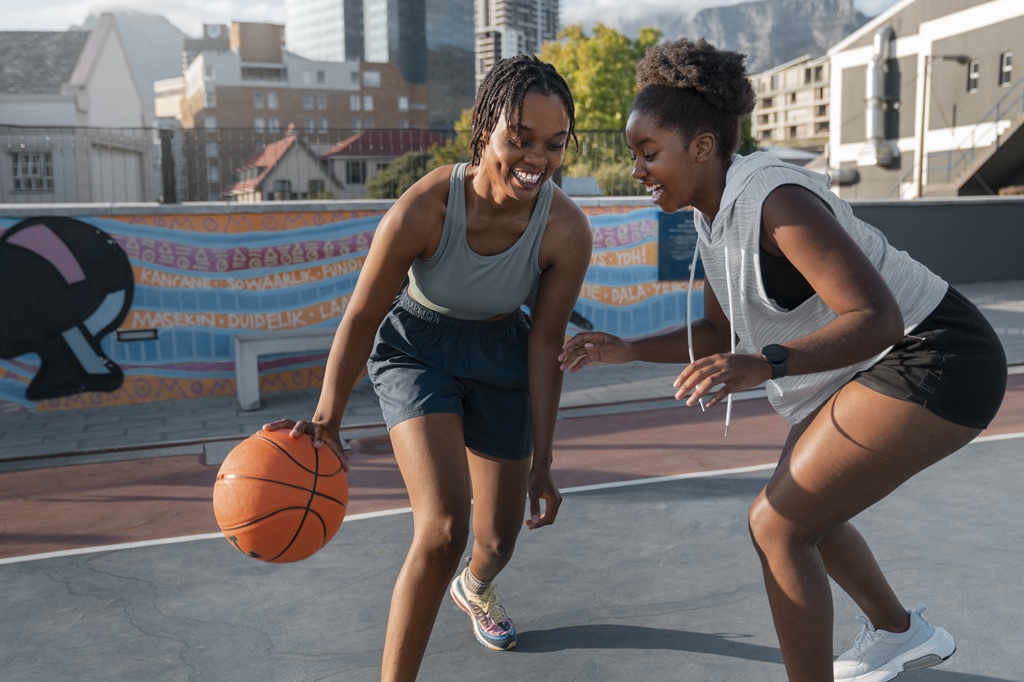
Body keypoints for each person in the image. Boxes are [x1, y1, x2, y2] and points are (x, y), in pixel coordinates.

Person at [558, 38, 1007, 682]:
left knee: (778, 524)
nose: (637, 169)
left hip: (939, 353)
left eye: (648, 153)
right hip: (878, 360)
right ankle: (901, 633)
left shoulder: (776, 199)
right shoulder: (712, 218)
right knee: (802, 515)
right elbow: (717, 331)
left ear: (703, 148)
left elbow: (877, 317)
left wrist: (766, 363)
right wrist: (627, 349)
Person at [266, 54, 592, 681]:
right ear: (484, 130)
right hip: (419, 347)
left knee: (496, 541)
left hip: (503, 353)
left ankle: (476, 587)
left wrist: (544, 462)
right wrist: (327, 418)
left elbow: (545, 344)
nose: (536, 159)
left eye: (553, 145)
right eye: (519, 139)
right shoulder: (426, 208)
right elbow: (362, 316)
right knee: (443, 526)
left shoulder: (566, 228)